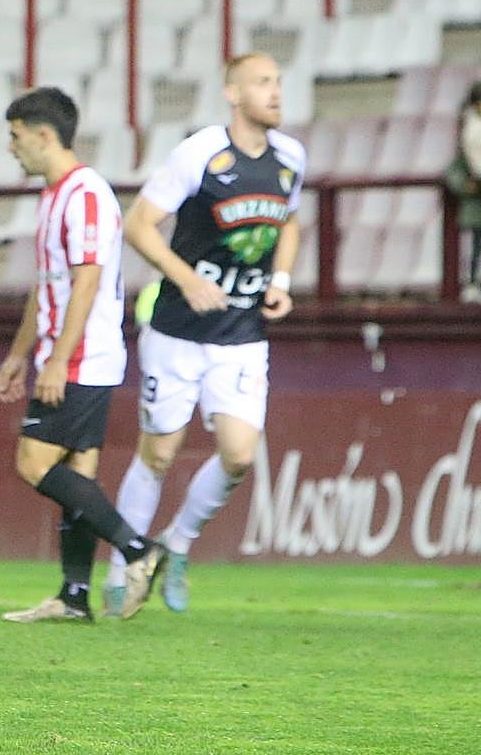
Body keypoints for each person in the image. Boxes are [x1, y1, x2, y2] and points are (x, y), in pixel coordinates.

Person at [104, 52, 305, 618]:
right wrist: (186, 278)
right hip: (177, 330)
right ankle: (124, 565)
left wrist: (282, 280)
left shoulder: (291, 157)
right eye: (263, 82)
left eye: (278, 82)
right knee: (160, 453)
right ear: (233, 93)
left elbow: (288, 221)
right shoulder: (200, 153)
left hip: (241, 332)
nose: (275, 92)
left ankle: (177, 543)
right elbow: (138, 224)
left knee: (239, 456)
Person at [0, 87, 161, 624]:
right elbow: (50, 286)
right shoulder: (54, 195)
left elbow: (87, 282)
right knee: (77, 472)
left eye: (17, 137)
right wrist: (21, 353)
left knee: (33, 461)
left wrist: (59, 360)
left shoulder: (85, 192)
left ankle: (138, 551)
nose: (10, 148)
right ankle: (73, 595)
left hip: (84, 356)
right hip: (66, 352)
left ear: (46, 135)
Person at [452, 80, 481, 302]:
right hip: (476, 198)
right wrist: (467, 184)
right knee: (476, 241)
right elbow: (456, 170)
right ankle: (472, 282)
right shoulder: (468, 130)